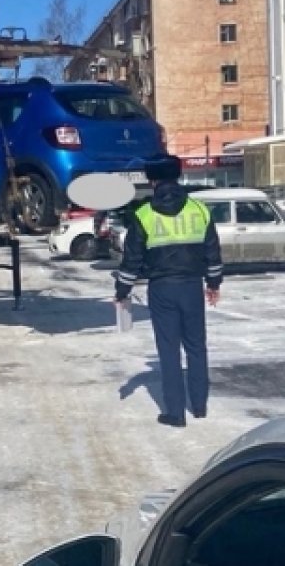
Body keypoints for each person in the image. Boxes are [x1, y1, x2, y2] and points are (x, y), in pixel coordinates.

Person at [114, 154, 223, 428]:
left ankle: (175, 413)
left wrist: (122, 290)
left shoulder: (143, 215)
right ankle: (199, 405)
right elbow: (212, 251)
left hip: (162, 289)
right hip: (192, 287)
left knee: (169, 350)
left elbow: (132, 259)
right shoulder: (199, 209)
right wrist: (213, 284)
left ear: (152, 181)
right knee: (197, 347)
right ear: (178, 177)